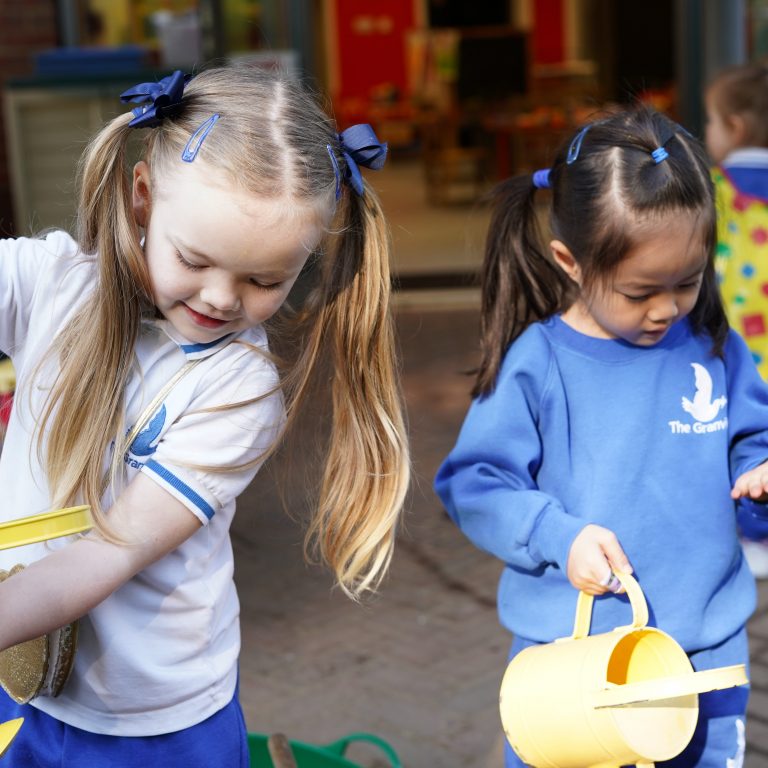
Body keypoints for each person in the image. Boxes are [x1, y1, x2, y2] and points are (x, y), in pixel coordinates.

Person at [0, 63, 409, 766]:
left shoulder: (238, 390)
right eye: (194, 259)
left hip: (156, 726)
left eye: (264, 280)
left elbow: (113, 548)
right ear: (141, 201)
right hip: (26, 683)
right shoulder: (52, 283)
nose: (221, 298)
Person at [435, 106, 768, 768]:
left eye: (688, 281)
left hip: (703, 659)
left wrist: (760, 480)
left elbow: (751, 444)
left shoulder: (714, 350)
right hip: (575, 665)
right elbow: (473, 486)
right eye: (642, 290)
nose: (668, 309)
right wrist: (560, 536)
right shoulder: (538, 363)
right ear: (570, 261)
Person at [705, 62, 768, 579]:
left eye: (711, 121)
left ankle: (752, 533)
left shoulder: (713, 191)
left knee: (742, 445)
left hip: (736, 353)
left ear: (736, 128)